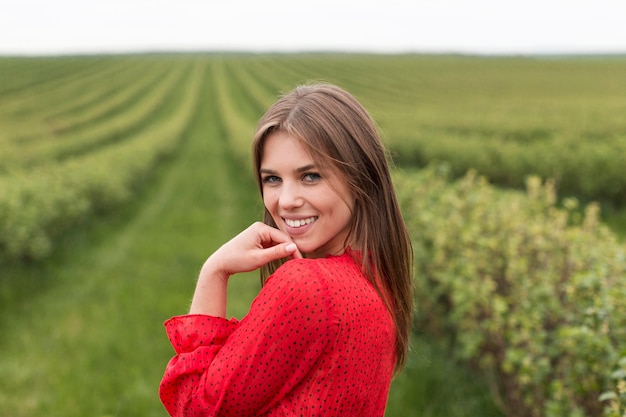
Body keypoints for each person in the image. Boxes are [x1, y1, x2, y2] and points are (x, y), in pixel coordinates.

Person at [159, 83, 414, 416]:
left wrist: (214, 272)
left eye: (309, 176)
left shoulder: (307, 287)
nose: (286, 201)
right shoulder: (378, 280)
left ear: (360, 178)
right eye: (272, 179)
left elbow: (197, 409)